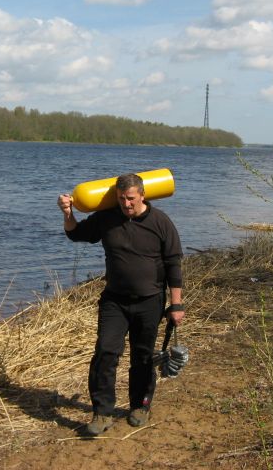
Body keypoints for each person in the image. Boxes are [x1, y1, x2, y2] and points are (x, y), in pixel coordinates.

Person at [57, 173, 184, 436]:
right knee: (105, 352)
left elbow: (174, 264)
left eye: (130, 199)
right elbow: (76, 234)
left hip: (150, 302)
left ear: (142, 196)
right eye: (121, 198)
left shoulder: (161, 222)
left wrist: (176, 304)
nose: (126, 204)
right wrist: (68, 213)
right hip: (114, 300)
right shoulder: (107, 217)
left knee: (143, 356)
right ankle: (102, 413)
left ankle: (140, 406)